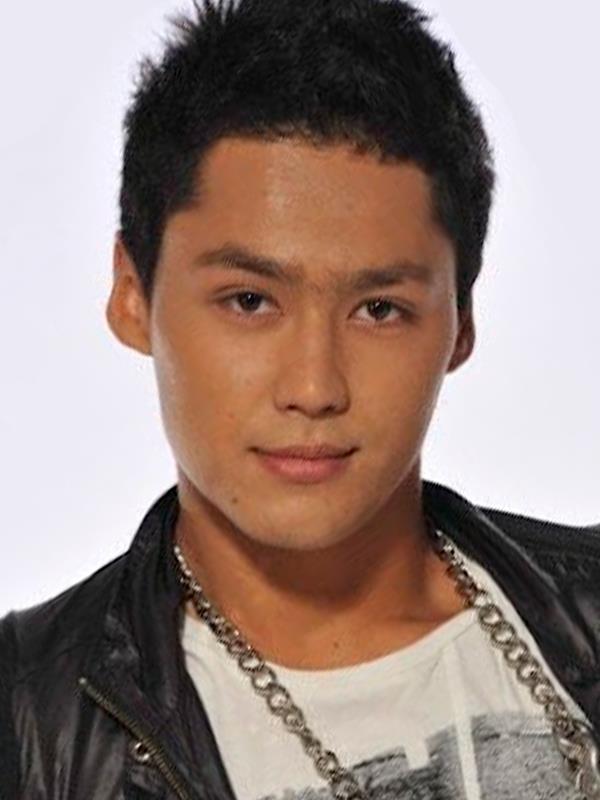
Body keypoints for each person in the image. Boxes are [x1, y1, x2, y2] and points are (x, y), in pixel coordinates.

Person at [1, 0, 599, 797]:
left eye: (379, 309)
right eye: (249, 301)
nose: (315, 388)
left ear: (461, 323)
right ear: (132, 295)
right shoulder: (27, 724)